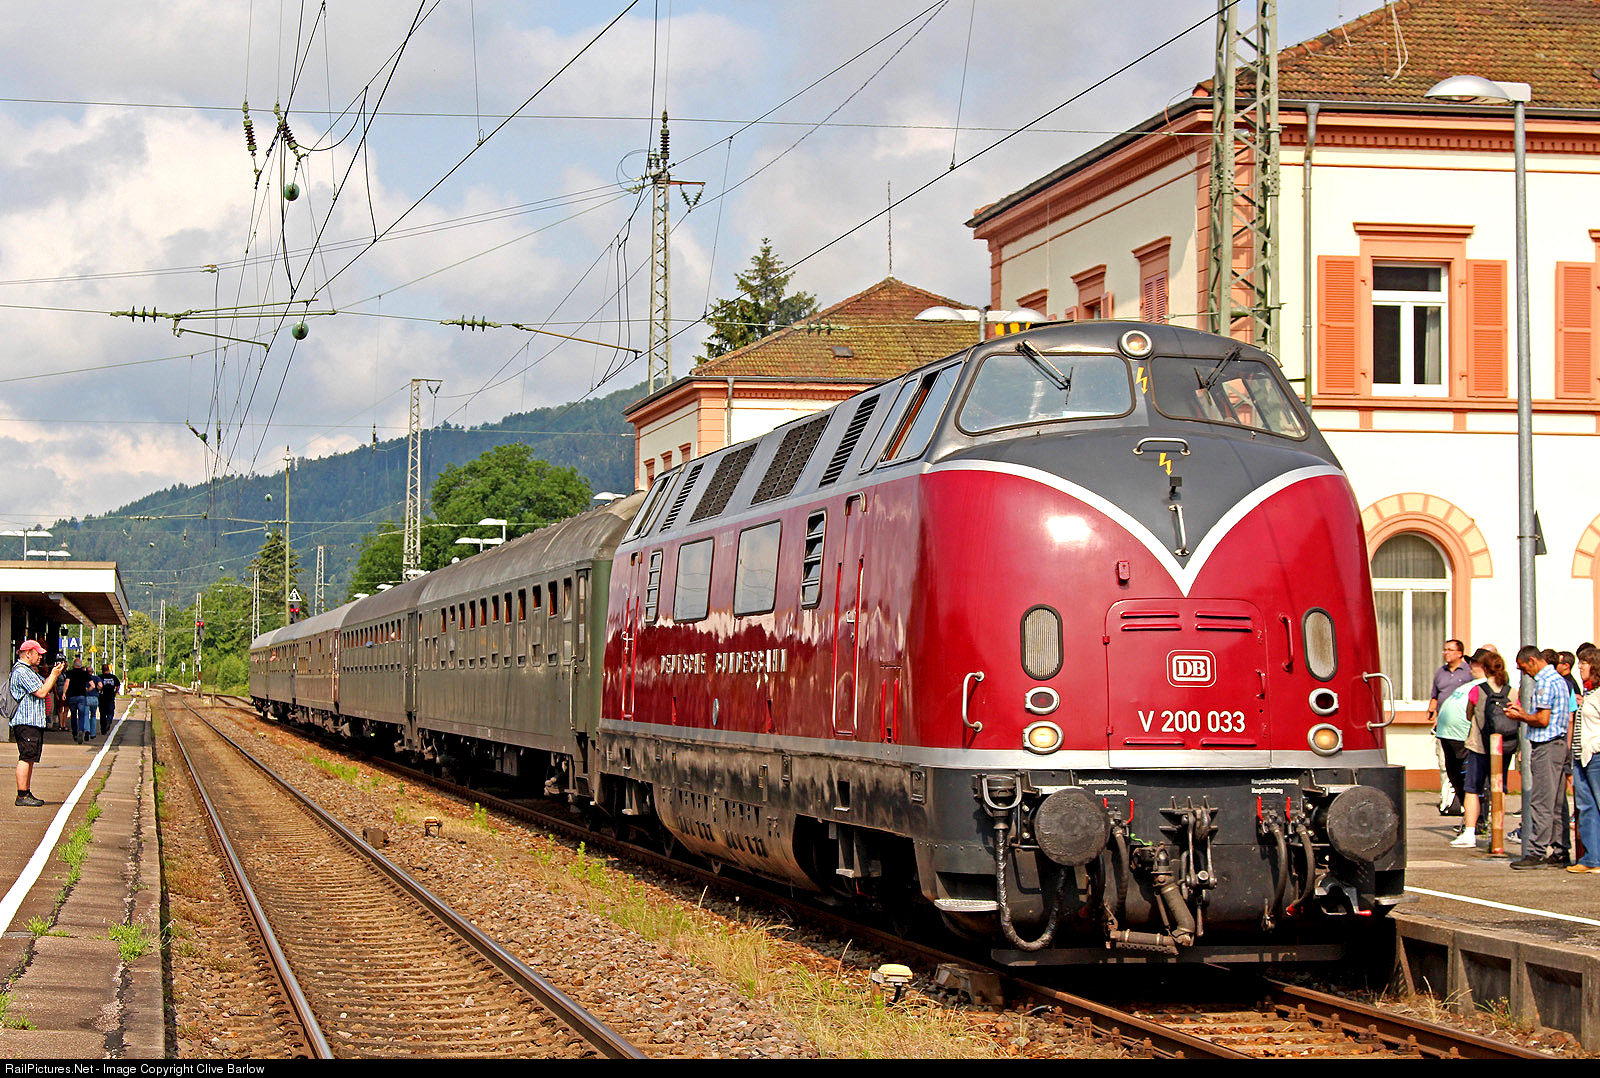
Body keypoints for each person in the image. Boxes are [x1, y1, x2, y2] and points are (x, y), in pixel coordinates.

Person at [1505, 645, 1575, 868]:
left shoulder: (1545, 682)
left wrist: (1521, 716)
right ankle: (1560, 850)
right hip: (1558, 745)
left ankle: (1536, 851)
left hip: (1546, 746)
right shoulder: (1559, 680)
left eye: (1524, 668)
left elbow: (1543, 720)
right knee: (1557, 802)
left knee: (1541, 800)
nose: (1524, 673)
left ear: (1533, 661)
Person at [1455, 650, 1516, 849]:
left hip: (1478, 745)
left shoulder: (1477, 690)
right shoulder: (1512, 692)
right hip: (1504, 747)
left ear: (1485, 669)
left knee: (1472, 789)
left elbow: (1468, 715)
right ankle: (1496, 831)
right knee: (1499, 788)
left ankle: (1469, 832)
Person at [10, 640, 65, 807]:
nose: (41, 657)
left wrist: (52, 674)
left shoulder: (29, 670)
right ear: (28, 653)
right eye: (38, 653)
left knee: (30, 757)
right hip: (26, 721)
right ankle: (22, 795)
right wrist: (54, 675)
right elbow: (41, 692)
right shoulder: (21, 671)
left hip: (33, 721)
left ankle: (26, 791)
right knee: (26, 757)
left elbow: (43, 685)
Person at [1429, 639, 1475, 815]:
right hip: (1443, 725)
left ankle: (1465, 803)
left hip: (1462, 728)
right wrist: (1432, 709)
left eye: (1450, 649)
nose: (1445, 653)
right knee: (1444, 764)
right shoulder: (1441, 672)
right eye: (1445, 649)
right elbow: (1435, 694)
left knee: (1463, 765)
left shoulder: (1469, 672)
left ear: (1459, 653)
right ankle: (1447, 800)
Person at [1569, 646, 1600, 873]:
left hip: (1595, 756)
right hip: (1581, 758)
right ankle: (1592, 859)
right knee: (1586, 807)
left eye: (1584, 663)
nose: (1579, 667)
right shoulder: (1589, 693)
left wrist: (1594, 746)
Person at [62, 658, 91, 744]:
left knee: (73, 715)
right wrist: (87, 690)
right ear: (81, 665)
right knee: (81, 715)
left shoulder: (70, 673)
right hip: (82, 696)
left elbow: (66, 683)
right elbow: (93, 685)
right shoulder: (84, 673)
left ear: (73, 665)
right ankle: (81, 730)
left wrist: (64, 693)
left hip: (72, 696)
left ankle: (75, 733)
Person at [98, 663, 120, 732]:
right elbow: (118, 686)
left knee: (102, 714)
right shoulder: (113, 677)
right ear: (108, 669)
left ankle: (103, 729)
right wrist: (115, 692)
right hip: (110, 697)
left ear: (102, 670)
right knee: (110, 712)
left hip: (102, 698)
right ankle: (109, 720)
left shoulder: (100, 677)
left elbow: (97, 686)